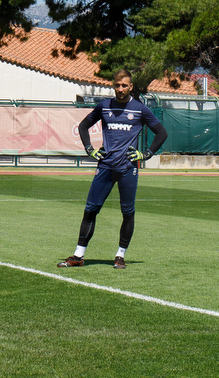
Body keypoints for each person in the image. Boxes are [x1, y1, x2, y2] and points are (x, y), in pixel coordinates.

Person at [58, 70, 167, 270]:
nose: (120, 89)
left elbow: (161, 133)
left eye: (124, 85)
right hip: (106, 166)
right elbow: (83, 126)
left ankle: (120, 256)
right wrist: (90, 149)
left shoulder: (140, 109)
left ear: (131, 87)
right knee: (90, 210)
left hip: (128, 168)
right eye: (117, 85)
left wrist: (146, 154)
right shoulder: (104, 106)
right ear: (113, 85)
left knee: (127, 212)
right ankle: (78, 256)